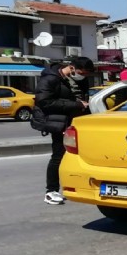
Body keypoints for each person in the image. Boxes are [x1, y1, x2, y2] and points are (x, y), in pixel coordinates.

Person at [35, 57, 94, 205]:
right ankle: (51, 191)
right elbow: (44, 102)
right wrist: (75, 104)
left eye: (86, 74)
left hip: (77, 122)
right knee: (58, 155)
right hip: (60, 122)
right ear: (72, 67)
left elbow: (83, 96)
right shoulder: (50, 79)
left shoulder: (81, 80)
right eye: (82, 72)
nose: (83, 76)